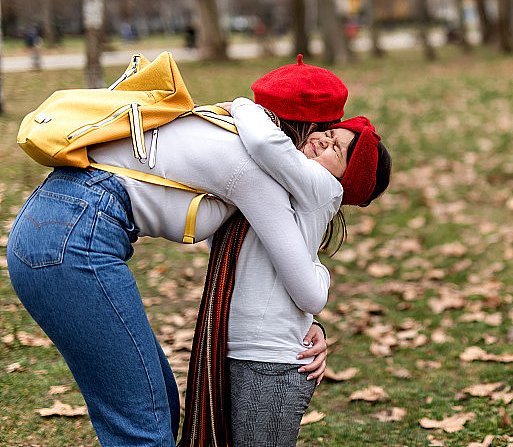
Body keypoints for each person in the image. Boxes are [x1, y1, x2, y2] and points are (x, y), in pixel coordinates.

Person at [5, 59, 349, 446]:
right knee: (144, 427)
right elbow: (306, 287)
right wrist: (309, 323)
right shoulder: (254, 170)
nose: (323, 147)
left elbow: (257, 261)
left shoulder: (229, 123)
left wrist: (310, 327)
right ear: (305, 130)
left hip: (50, 229)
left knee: (158, 407)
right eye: (325, 134)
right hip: (74, 242)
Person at [179, 56, 391, 447]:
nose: (326, 140)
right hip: (239, 345)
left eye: (338, 150)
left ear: (344, 179)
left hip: (271, 360)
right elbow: (220, 242)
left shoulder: (319, 185)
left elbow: (264, 141)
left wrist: (244, 106)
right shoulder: (285, 186)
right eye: (331, 132)